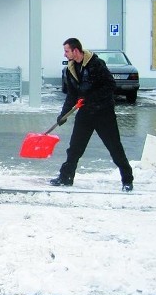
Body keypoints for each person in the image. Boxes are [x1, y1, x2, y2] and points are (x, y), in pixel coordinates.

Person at [51, 37, 134, 191]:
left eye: (66, 51)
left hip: (104, 114)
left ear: (76, 50)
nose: (65, 54)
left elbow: (110, 85)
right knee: (75, 148)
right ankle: (66, 177)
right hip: (85, 114)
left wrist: (89, 98)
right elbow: (72, 94)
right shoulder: (71, 68)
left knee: (115, 148)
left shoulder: (96, 64)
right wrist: (63, 115)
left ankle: (127, 179)